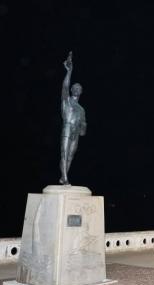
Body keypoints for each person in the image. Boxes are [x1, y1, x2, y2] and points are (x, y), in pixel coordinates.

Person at [60, 51, 87, 185]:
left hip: (75, 133)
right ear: (71, 90)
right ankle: (65, 178)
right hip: (67, 129)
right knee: (64, 153)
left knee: (70, 156)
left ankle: (64, 175)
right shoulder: (66, 101)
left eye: (79, 88)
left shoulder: (82, 109)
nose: (77, 89)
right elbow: (64, 86)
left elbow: (83, 130)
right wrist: (69, 71)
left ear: (81, 92)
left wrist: (83, 126)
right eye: (75, 87)